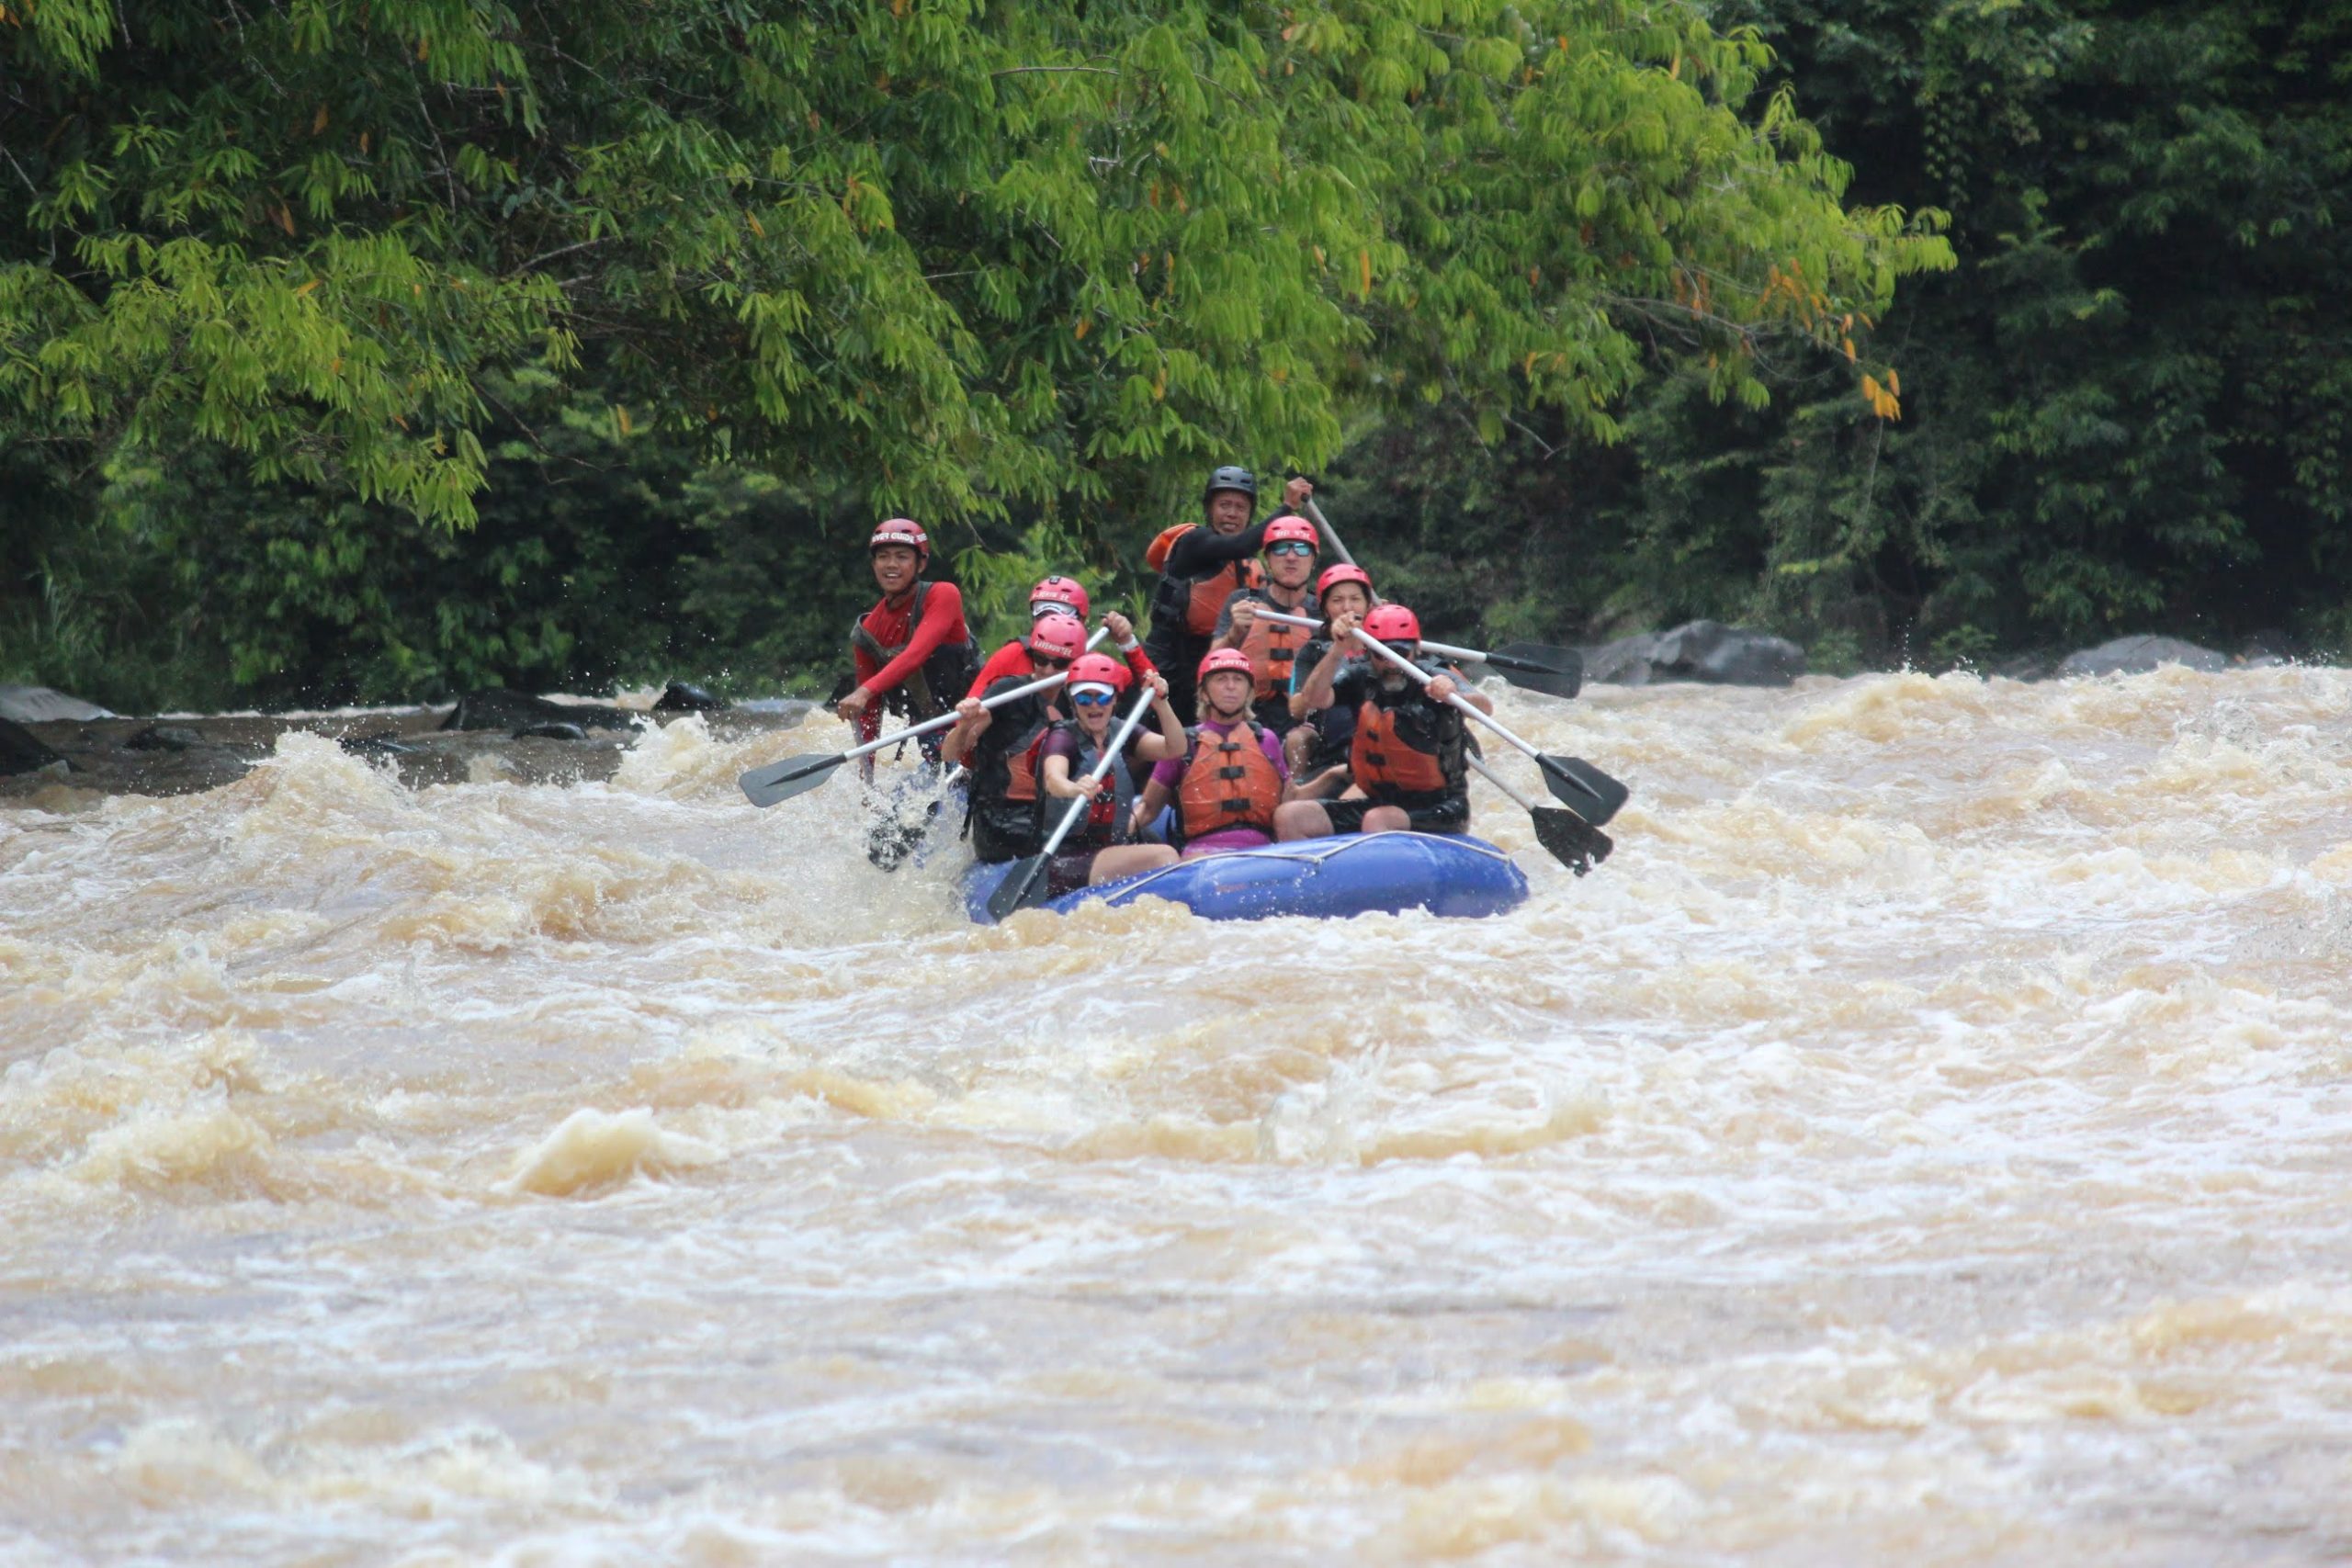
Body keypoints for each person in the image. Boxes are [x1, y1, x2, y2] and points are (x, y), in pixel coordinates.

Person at [1276, 604, 1494, 841]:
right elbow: (1314, 699)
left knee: (1377, 821)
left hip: (1441, 808)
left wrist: (1455, 696)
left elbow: (1485, 707)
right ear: (1369, 652)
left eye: (1401, 652)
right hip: (1378, 802)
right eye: (1382, 654)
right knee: (1290, 816)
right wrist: (1338, 649)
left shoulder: (1433, 675)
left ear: (1416, 649)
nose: (1392, 664)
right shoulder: (1359, 678)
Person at [1141, 467, 1315, 723]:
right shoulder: (1194, 543)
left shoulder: (1248, 565)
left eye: (1241, 508)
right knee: (1158, 733)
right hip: (1167, 659)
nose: (1232, 514)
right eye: (1224, 505)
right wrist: (1286, 508)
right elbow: (1241, 544)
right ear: (1210, 509)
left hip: (1213, 657)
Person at [1034, 653, 1188, 895]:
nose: (1094, 705)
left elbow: (1176, 748)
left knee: (1164, 851)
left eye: (1102, 697)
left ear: (1115, 699)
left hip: (1111, 848)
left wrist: (1161, 704)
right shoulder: (1063, 738)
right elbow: (1053, 779)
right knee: (1165, 856)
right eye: (1084, 697)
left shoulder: (1122, 732)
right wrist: (1074, 788)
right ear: (1073, 702)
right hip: (1065, 859)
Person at [944, 614, 1088, 863]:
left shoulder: (1083, 700)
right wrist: (965, 724)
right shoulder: (1007, 691)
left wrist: (1128, 643)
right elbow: (949, 753)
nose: (1048, 671)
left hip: (1052, 813)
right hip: (1002, 820)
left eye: (1060, 663)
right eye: (1040, 660)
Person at [1130, 649, 1295, 858]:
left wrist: (1332, 777)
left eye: (1238, 679)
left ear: (1249, 691)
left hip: (1263, 854)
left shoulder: (1267, 740)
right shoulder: (1183, 744)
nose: (1231, 686)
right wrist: (1113, 839)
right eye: (1221, 679)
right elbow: (1147, 809)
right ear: (1204, 692)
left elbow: (1290, 801)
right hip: (1201, 856)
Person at [840, 519, 981, 759]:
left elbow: (915, 655)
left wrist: (863, 692)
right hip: (928, 735)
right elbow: (870, 715)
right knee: (916, 791)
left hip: (976, 722)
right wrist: (867, 784)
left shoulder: (943, 595)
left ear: (921, 563)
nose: (891, 564)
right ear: (874, 564)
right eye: (883, 556)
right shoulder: (867, 632)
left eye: (902, 557)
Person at [1209, 515, 1321, 739]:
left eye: (1301, 549)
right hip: (1249, 716)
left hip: (1306, 721)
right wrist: (1234, 634)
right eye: (1280, 549)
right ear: (1268, 558)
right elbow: (1210, 667)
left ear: (1313, 559)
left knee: (1300, 740)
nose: (1291, 557)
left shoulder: (1324, 611)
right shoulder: (1242, 603)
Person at [963, 574, 1153, 700]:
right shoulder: (1011, 655)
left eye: (1061, 663)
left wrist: (1127, 642)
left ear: (1081, 621)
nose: (1052, 625)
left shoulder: (1093, 662)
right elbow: (966, 717)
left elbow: (1153, 692)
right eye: (1043, 616)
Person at [1286, 562, 1376, 778]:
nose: (1347, 608)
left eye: (1355, 599)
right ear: (1326, 609)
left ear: (1367, 605)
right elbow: (1296, 709)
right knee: (1297, 739)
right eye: (1337, 600)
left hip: (1380, 736)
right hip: (1332, 741)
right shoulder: (1313, 650)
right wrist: (1337, 651)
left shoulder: (1385, 645)